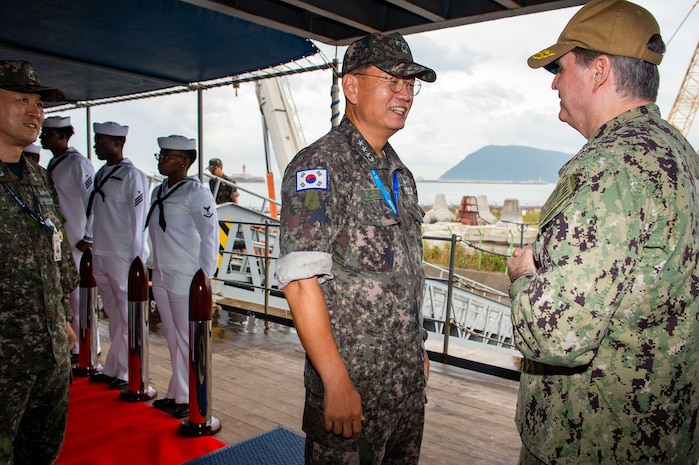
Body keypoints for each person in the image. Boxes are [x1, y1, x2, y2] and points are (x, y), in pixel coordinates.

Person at [506, 0, 699, 463]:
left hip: (589, 440)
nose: (554, 81)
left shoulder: (608, 169)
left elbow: (556, 336)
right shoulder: (679, 154)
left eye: (561, 66)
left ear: (599, 71)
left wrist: (523, 275)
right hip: (663, 435)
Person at [277, 32, 436, 464]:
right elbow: (299, 281)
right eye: (391, 80)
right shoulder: (321, 166)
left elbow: (401, 277)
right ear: (351, 86)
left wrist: (415, 346)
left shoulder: (399, 173)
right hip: (353, 391)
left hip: (403, 392)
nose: (404, 93)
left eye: (410, 83)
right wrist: (335, 381)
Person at [0, 60, 78, 464]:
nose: (35, 112)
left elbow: (56, 250)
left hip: (49, 351)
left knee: (42, 451)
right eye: (22, 100)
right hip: (5, 358)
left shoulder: (38, 178)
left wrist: (63, 316)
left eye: (38, 103)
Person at [147, 135, 219, 419]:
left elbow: (210, 236)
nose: (162, 160)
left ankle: (189, 398)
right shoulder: (159, 191)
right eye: (161, 155)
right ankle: (177, 393)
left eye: (168, 155)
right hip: (162, 274)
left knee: (187, 339)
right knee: (173, 337)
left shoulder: (196, 193)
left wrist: (205, 277)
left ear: (185, 162)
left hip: (187, 276)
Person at [87, 121, 150, 391]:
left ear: (118, 143)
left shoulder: (132, 176)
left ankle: (127, 371)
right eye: (97, 140)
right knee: (112, 314)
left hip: (123, 255)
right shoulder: (102, 173)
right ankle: (114, 365)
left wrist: (137, 257)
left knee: (127, 316)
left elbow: (139, 220)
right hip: (100, 251)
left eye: (102, 141)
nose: (96, 145)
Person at [40, 115, 99, 363]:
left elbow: (92, 199)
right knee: (65, 292)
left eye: (48, 134)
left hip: (76, 238)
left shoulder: (77, 164)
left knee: (77, 294)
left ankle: (87, 346)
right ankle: (73, 343)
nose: (43, 138)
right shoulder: (56, 162)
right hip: (59, 238)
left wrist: (89, 235)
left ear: (63, 136)